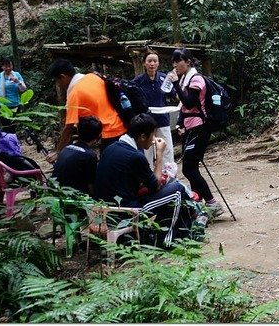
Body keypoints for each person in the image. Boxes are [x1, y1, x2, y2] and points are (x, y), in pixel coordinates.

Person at [94, 113, 200, 247]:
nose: (154, 139)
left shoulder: (110, 148)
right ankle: (167, 241)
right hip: (125, 212)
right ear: (143, 136)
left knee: (171, 192)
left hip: (105, 211)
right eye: (153, 135)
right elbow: (155, 185)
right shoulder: (135, 156)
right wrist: (160, 154)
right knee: (178, 190)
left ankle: (162, 233)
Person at [165, 48, 224, 218]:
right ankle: (197, 204)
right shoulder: (185, 79)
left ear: (188, 61)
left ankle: (212, 204)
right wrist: (180, 124)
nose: (175, 65)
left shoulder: (196, 79)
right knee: (191, 167)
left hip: (200, 127)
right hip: (191, 127)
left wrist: (176, 83)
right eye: (173, 62)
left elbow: (190, 102)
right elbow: (183, 105)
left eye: (178, 61)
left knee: (189, 168)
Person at [46, 58, 126, 163]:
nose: (59, 85)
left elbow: (68, 127)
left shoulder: (75, 94)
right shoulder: (93, 76)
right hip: (121, 126)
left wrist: (58, 152)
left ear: (63, 77)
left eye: (57, 81)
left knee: (107, 170)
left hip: (108, 133)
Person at [133, 51, 176, 172]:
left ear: (158, 64)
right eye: (149, 61)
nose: (152, 64)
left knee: (167, 149)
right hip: (146, 121)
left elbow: (174, 94)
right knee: (147, 151)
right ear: (144, 63)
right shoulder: (137, 82)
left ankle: (169, 176)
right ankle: (148, 178)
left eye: (155, 61)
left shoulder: (164, 78)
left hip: (163, 119)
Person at [52, 115, 103, 196]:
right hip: (74, 198)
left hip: (56, 193)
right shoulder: (89, 155)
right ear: (98, 136)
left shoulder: (67, 148)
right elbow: (91, 185)